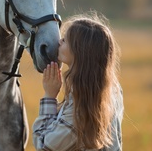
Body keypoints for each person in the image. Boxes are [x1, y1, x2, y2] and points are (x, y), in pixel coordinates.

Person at [32, 13, 124, 151]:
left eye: (65, 40)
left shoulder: (81, 106)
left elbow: (44, 146)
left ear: (80, 52)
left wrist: (49, 96)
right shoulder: (111, 89)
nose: (59, 41)